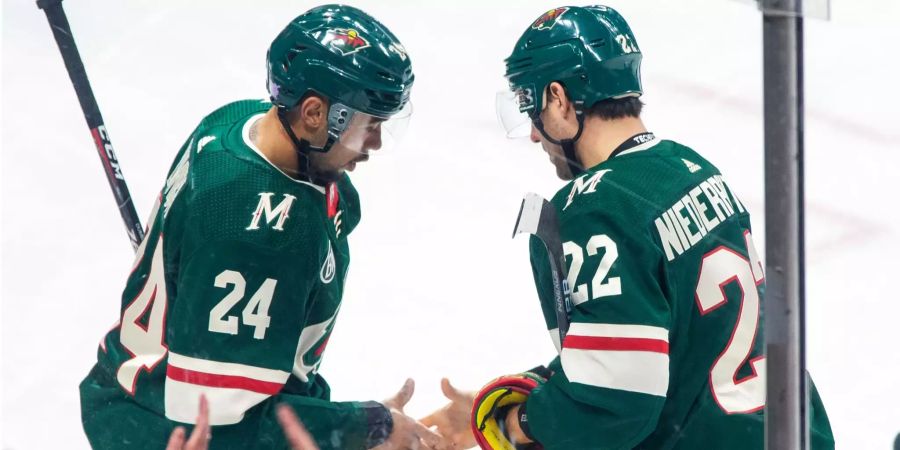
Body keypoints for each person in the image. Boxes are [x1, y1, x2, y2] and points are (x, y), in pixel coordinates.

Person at [423, 5, 835, 449]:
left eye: (531, 106)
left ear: (559, 99)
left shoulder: (595, 209)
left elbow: (614, 403)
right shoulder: (689, 166)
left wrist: (511, 422)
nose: (534, 134)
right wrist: (540, 387)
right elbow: (665, 340)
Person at [79, 5, 444, 449]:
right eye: (370, 124)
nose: (376, 143)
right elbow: (220, 424)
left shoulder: (239, 120)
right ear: (313, 112)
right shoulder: (260, 231)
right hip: (163, 427)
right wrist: (361, 427)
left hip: (178, 388)